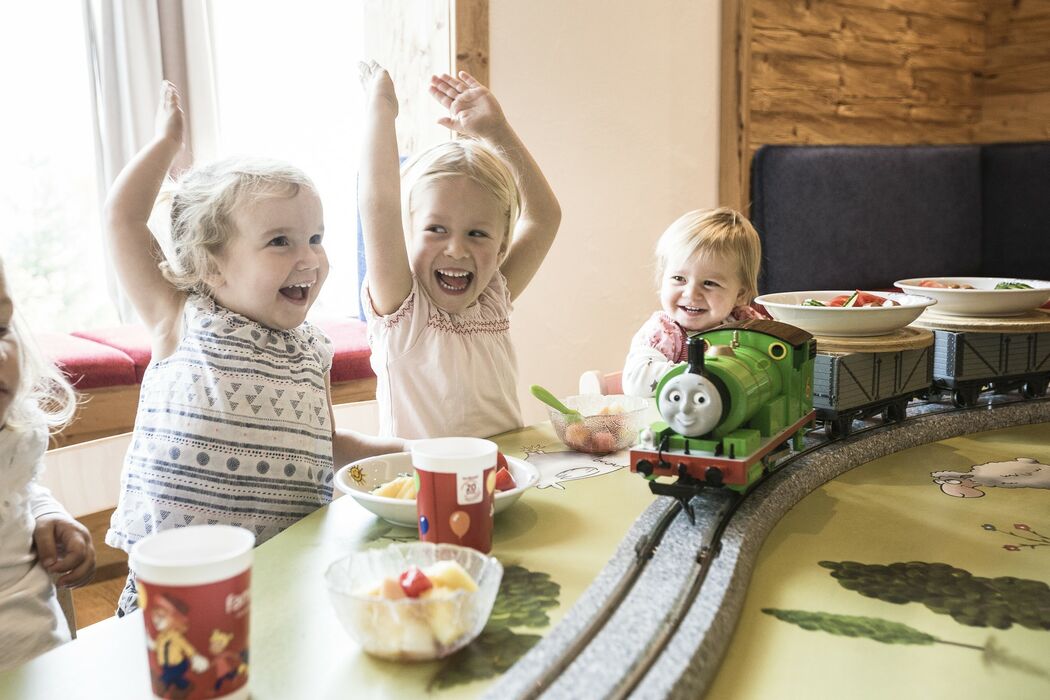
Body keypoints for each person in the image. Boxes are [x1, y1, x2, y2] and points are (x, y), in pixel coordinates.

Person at [104, 82, 403, 616]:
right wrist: (165, 145)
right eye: (280, 241)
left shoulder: (313, 349)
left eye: (316, 238)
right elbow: (122, 220)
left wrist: (410, 453)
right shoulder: (180, 317)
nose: (309, 258)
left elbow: (326, 444)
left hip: (287, 578)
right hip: (176, 594)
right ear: (210, 264)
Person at [358, 62, 561, 439]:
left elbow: (545, 217)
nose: (456, 249)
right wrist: (382, 108)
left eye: (477, 233)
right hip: (419, 490)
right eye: (436, 229)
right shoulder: (404, 310)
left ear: (502, 245)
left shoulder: (493, 298)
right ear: (408, 235)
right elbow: (379, 202)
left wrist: (496, 131)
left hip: (500, 484)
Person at [0, 257, 96, 670]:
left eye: (1, 327)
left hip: (44, 667)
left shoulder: (13, 439)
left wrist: (44, 514)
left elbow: (20, 490)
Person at [622, 208, 765, 397]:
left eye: (709, 283)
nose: (691, 294)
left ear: (740, 294)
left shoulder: (745, 322)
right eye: (679, 278)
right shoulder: (664, 332)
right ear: (662, 278)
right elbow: (637, 382)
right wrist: (708, 374)